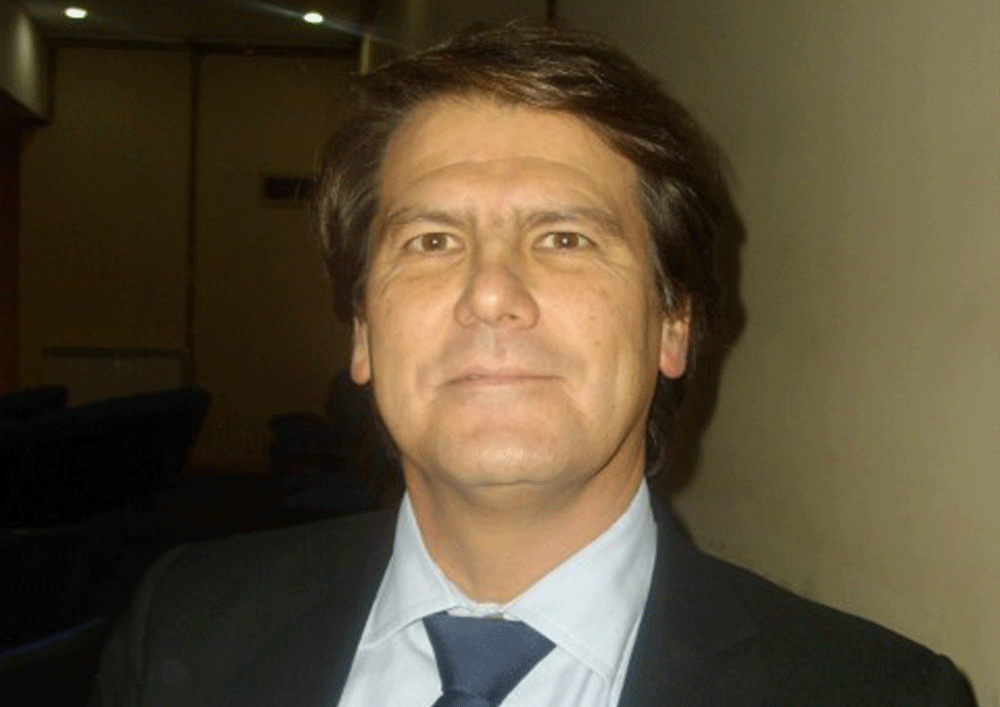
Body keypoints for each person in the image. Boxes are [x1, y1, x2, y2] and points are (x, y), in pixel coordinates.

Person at [92, 25, 975, 707]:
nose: (490, 293)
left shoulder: (882, 694)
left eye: (565, 237)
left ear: (673, 324)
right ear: (362, 332)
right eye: (432, 240)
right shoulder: (183, 625)